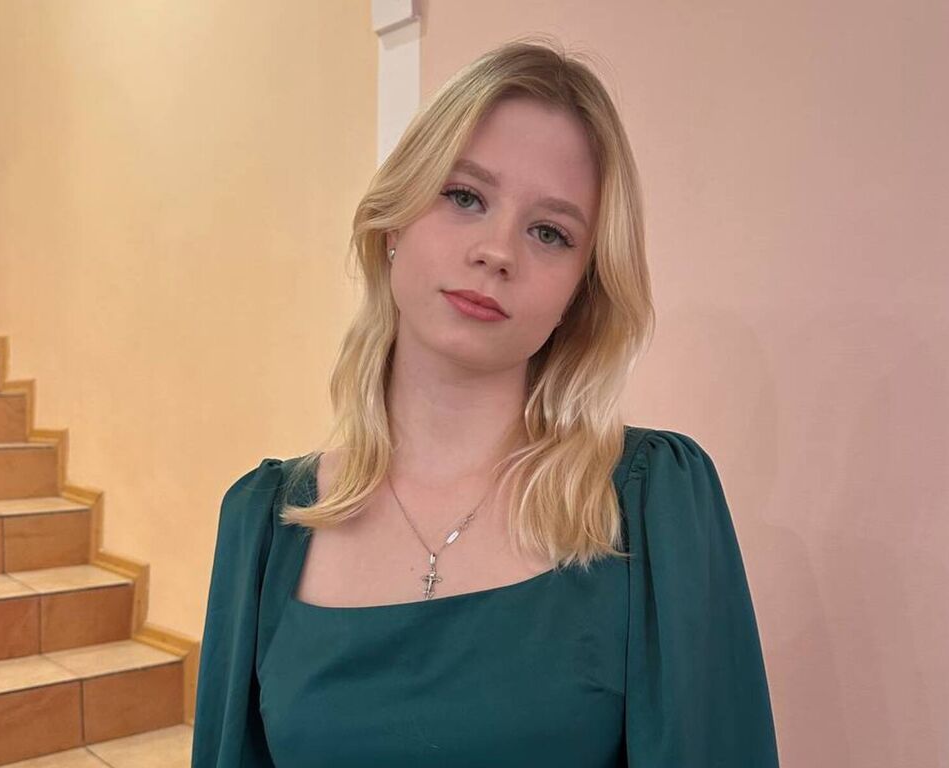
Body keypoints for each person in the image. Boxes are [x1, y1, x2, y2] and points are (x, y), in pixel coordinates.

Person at [192, 36, 780, 767]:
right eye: (465, 196)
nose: (498, 251)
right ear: (394, 221)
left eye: (550, 232)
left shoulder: (651, 503)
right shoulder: (264, 525)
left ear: (581, 290)